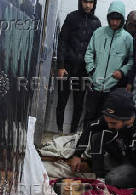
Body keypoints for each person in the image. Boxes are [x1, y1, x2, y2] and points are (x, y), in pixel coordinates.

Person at [83, 0, 133, 128]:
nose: (114, 22)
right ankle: (83, 145)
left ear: (122, 20)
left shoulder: (127, 38)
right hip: (95, 85)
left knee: (105, 121)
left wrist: (122, 71)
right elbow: (89, 52)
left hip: (112, 89)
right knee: (89, 117)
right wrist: (92, 70)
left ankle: (97, 146)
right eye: (112, 19)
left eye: (118, 20)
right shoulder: (99, 33)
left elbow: (132, 60)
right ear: (108, 18)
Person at [56, 0, 101, 134]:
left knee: (79, 105)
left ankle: (72, 134)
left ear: (94, 4)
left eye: (91, 2)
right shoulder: (72, 17)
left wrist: (92, 71)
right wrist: (61, 65)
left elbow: (96, 50)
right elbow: (62, 41)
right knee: (61, 102)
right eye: (85, 2)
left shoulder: (96, 23)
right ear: (80, 2)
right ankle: (59, 132)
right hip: (67, 68)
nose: (88, 5)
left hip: (83, 71)